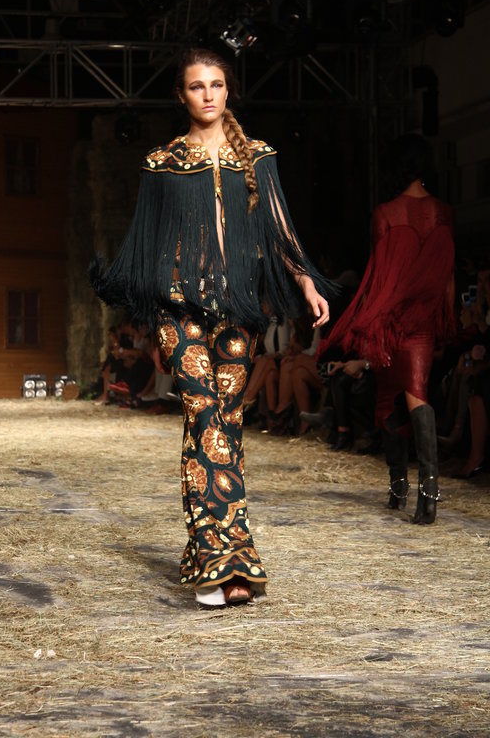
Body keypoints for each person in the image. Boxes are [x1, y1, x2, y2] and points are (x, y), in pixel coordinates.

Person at [90, 47, 331, 608]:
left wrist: (306, 283)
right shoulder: (163, 163)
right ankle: (231, 565)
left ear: (229, 90)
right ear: (182, 95)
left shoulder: (258, 157)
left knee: (226, 423)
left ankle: (208, 556)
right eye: (197, 86)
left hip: (237, 306)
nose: (208, 94)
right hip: (179, 308)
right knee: (204, 415)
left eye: (216, 84)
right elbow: (147, 240)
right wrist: (150, 304)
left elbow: (279, 229)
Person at [318, 134, 455, 524]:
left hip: (392, 319)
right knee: (413, 394)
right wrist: (446, 319)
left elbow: (381, 277)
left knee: (392, 398)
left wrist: (369, 321)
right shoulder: (443, 212)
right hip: (423, 319)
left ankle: (403, 489)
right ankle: (423, 493)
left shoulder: (385, 214)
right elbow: (445, 273)